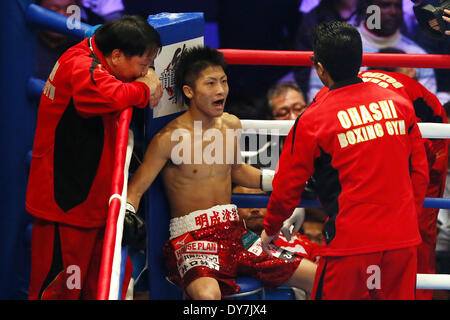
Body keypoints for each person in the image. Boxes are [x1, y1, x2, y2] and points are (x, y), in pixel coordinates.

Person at [126, 45, 317, 300]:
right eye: (211, 83)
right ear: (189, 91)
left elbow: (236, 169)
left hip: (235, 232)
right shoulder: (168, 140)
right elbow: (136, 190)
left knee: (315, 276)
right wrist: (126, 214)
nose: (220, 90)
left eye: (224, 81)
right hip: (191, 239)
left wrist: (282, 182)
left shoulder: (230, 124)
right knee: (207, 298)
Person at [261, 21, 429, 300]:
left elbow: (287, 183)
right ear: (360, 60)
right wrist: (406, 220)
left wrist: (271, 228)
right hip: (402, 239)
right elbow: (419, 173)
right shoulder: (398, 104)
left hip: (351, 244)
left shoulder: (314, 118)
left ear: (319, 68)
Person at [26, 15, 163, 300]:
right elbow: (107, 95)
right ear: (116, 56)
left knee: (106, 285)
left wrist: (141, 79)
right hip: (66, 205)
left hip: (93, 203)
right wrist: (145, 89)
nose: (147, 71)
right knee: (61, 292)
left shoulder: (96, 57)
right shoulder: (80, 64)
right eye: (143, 64)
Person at [359, 68, 448, 300]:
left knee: (418, 228)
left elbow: (419, 166)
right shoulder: (322, 106)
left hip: (429, 134)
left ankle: (418, 295)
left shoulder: (393, 113)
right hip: (383, 135)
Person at [306, 0, 438, 103]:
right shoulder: (337, 45)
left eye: (397, 6)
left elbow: (427, 104)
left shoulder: (416, 53)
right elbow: (317, 97)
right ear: (367, 9)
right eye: (385, 5)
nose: (393, 11)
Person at [34, 0, 80, 81]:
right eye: (53, 10)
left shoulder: (87, 45)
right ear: (38, 10)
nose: (62, 16)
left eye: (70, 9)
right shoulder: (23, 46)